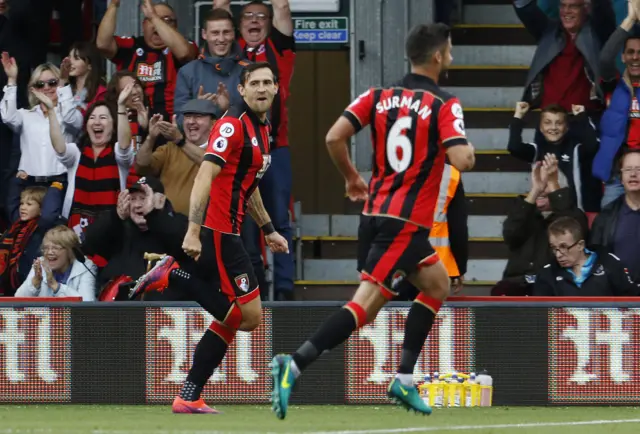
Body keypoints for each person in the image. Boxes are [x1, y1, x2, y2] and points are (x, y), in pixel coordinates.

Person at [269, 23, 475, 419]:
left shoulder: (377, 95)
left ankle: (404, 377)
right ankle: (292, 365)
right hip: (402, 222)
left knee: (436, 285)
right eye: (448, 51)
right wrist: (466, 151)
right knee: (364, 307)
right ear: (438, 56)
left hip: (378, 215)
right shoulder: (444, 104)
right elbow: (462, 160)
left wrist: (351, 176)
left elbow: (333, 137)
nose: (450, 56)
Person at [130, 62, 288, 414]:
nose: (262, 89)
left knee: (229, 321)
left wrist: (268, 229)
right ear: (242, 90)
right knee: (249, 318)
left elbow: (248, 186)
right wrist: (193, 231)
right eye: (254, 83)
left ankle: (189, 395)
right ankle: (174, 274)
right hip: (219, 232)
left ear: (276, 88)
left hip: (232, 231)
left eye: (268, 83)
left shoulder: (262, 131)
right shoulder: (232, 126)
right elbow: (205, 176)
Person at [215, 0, 296, 300]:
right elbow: (219, 8)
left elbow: (283, 7)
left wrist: (275, 9)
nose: (254, 21)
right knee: (242, 219)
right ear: (238, 24)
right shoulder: (229, 46)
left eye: (260, 16)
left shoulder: (278, 49)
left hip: (276, 147)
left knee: (279, 216)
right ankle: (251, 285)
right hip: (240, 150)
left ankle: (286, 289)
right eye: (247, 16)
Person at [35, 86, 134, 248]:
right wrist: (52, 111)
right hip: (76, 229)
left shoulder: (117, 154)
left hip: (112, 229)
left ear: (113, 125)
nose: (97, 122)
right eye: (92, 118)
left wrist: (121, 106)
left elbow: (124, 146)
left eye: (103, 118)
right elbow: (59, 148)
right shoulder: (76, 152)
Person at [492, 154, 588, 296]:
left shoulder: (572, 214)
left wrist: (553, 183)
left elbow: (574, 228)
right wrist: (535, 190)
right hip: (516, 283)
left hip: (554, 285)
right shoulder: (524, 213)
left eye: (546, 183)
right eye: (538, 183)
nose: (542, 189)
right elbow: (510, 234)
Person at [1, 55, 83, 219]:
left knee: (49, 223)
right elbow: (8, 117)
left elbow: (74, 121)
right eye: (40, 84)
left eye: (52, 82)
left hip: (59, 181)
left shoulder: (68, 113)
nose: (46, 87)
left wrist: (64, 84)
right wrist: (11, 80)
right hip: (29, 182)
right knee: (23, 229)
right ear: (33, 89)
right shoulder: (26, 115)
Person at [82, 176, 189, 294]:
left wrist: (154, 217)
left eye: (143, 198)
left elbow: (182, 247)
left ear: (160, 200)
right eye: (133, 199)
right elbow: (90, 244)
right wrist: (116, 216)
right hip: (119, 305)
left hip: (163, 307)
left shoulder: (179, 223)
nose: (137, 205)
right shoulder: (119, 226)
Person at [96, 0, 198, 119]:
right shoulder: (132, 46)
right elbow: (103, 44)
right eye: (150, 19)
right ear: (144, 25)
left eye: (166, 20)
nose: (157, 24)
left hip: (170, 124)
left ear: (175, 27)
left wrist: (153, 17)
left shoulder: (182, 47)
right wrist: (113, 5)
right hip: (131, 122)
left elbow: (185, 53)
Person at [514, 0, 615, 113]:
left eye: (573, 6)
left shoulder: (597, 32)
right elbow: (526, 9)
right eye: (563, 6)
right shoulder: (549, 31)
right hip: (550, 120)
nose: (566, 11)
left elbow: (603, 11)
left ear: (586, 8)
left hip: (585, 119)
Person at [393, 164, 468, 300]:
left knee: (397, 315)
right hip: (436, 264)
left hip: (398, 261)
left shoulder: (394, 169)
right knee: (427, 315)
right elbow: (458, 227)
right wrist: (459, 268)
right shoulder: (450, 175)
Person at [509, 102, 601, 211]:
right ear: (541, 127)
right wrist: (518, 115)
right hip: (545, 213)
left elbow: (593, 145)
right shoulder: (537, 149)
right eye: (547, 123)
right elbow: (514, 147)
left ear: (566, 127)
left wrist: (581, 117)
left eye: (559, 123)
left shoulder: (575, 148)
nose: (553, 127)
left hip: (573, 212)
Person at [135, 99, 217, 216]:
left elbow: (210, 164)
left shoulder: (219, 148)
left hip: (205, 228)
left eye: (198, 117)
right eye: (187, 117)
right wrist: (150, 138)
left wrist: (180, 141)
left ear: (213, 123)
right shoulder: (170, 148)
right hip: (168, 224)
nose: (191, 122)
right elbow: (141, 166)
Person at [594, 0, 640, 207]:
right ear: (623, 56)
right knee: (608, 234)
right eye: (630, 52)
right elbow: (604, 59)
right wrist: (629, 20)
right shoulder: (614, 86)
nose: (635, 57)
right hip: (617, 176)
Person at [174, 8, 247, 125]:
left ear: (233, 33)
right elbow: (178, 122)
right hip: (199, 143)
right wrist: (198, 109)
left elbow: (261, 119)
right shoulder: (187, 72)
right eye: (215, 33)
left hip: (242, 142)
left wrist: (229, 109)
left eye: (226, 32)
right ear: (204, 34)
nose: (221, 39)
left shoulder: (250, 71)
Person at [534, 216, 638, 296]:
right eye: (554, 248)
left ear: (580, 245)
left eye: (564, 247)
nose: (558, 255)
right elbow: (540, 315)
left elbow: (631, 301)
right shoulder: (547, 274)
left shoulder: (609, 264)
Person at [0, 186, 62, 295]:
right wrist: (19, 181)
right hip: (11, 285)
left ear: (42, 208)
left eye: (29, 204)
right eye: (22, 203)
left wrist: (55, 188)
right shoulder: (16, 227)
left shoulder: (43, 227)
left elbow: (49, 215)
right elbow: (11, 203)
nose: (22, 208)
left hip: (35, 285)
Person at [590, 149, 640, 281]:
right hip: (618, 294)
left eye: (639, 169)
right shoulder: (606, 216)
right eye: (628, 169)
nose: (633, 174)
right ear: (621, 177)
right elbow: (594, 258)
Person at [15, 225, 97, 300]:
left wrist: (56, 286)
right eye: (46, 248)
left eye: (55, 248)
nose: (49, 252)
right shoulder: (40, 264)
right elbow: (17, 301)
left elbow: (87, 306)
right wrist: (35, 282)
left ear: (69, 251)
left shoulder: (85, 267)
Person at [105, 71, 150, 187]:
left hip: (149, 182)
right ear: (117, 96)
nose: (135, 92)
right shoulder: (111, 122)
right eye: (127, 89)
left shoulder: (156, 115)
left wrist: (145, 128)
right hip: (121, 184)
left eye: (136, 85)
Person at [62, 41, 107, 115]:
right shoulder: (66, 89)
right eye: (69, 57)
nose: (70, 62)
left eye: (76, 58)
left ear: (90, 65)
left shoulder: (101, 93)